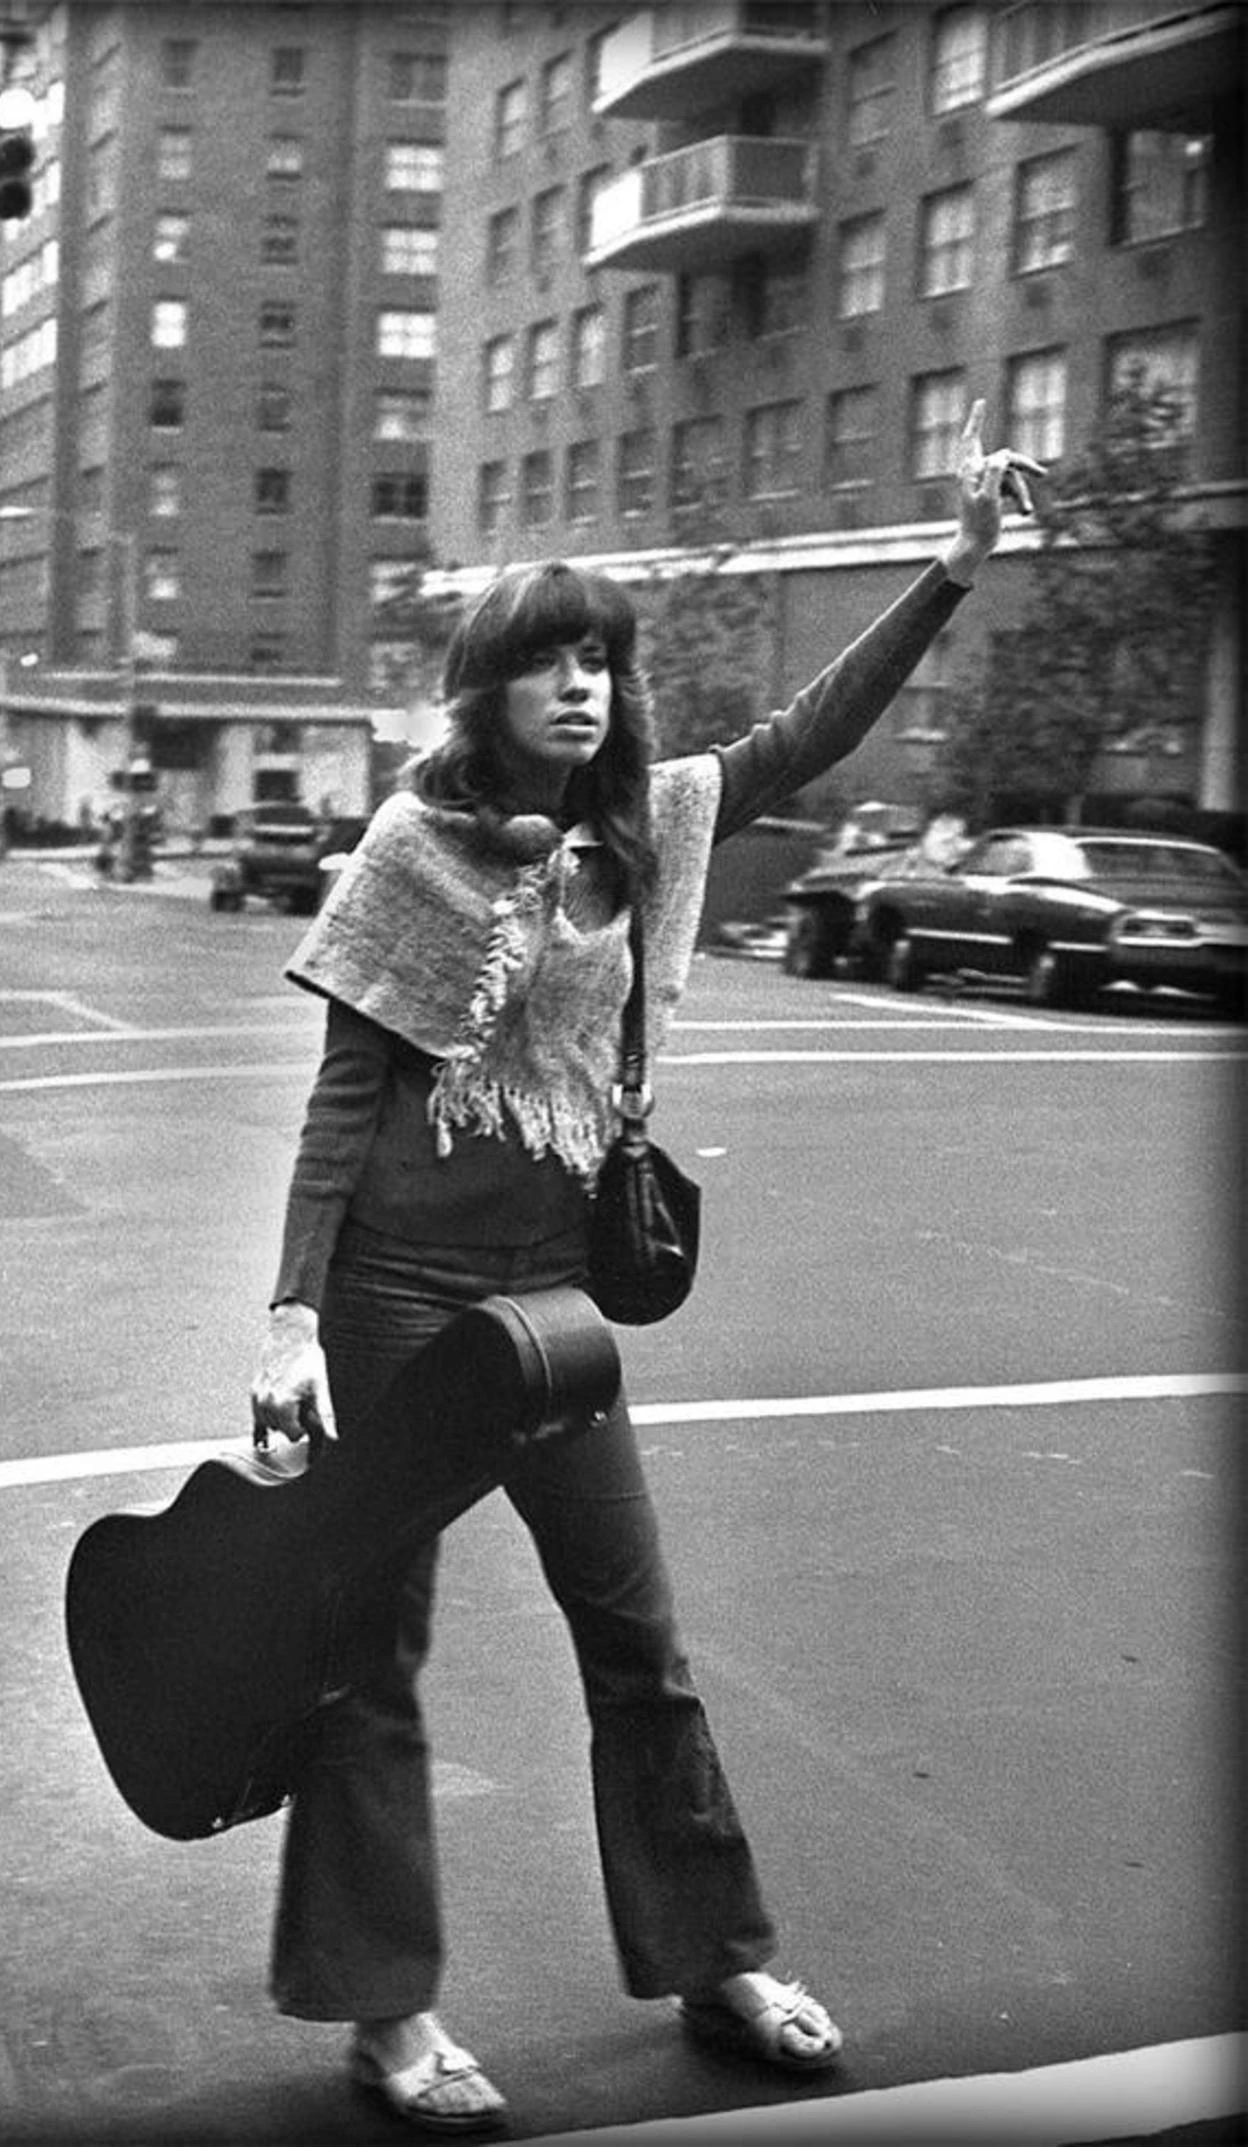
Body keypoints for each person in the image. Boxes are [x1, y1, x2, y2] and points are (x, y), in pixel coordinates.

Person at [250, 402, 1040, 2134]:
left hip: (554, 1300)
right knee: (371, 1656)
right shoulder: (413, 849)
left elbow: (809, 734)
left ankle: (718, 1955)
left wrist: (952, 566)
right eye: (551, 663)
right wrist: (296, 1310)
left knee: (640, 1638)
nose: (585, 687)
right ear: (491, 689)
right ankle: (388, 2013)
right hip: (394, 1297)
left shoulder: (659, 827)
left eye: (602, 659)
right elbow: (340, 1099)